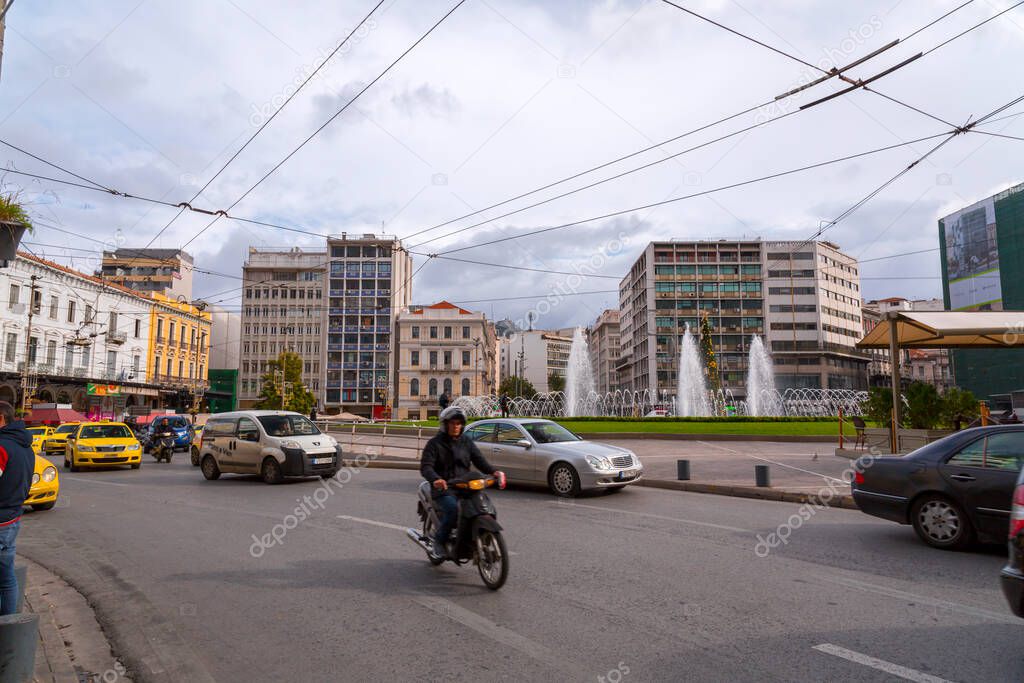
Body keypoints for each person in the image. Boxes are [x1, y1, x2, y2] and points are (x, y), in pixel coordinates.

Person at [420, 406, 504, 561]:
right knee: (453, 510)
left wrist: (494, 471)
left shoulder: (466, 442)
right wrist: (436, 479)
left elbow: (479, 460)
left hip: (465, 485)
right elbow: (426, 466)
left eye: (459, 423)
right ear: (445, 424)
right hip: (445, 488)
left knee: (486, 508)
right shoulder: (434, 444)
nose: (456, 426)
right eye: (452, 423)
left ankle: (479, 537)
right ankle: (439, 541)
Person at [0, 401, 35, 615]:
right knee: (6, 578)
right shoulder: (25, 446)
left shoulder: (2, 447)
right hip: (12, 518)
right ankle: (9, 627)